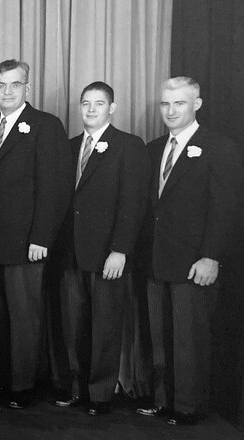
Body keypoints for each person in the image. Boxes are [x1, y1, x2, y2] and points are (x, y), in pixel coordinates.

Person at [135, 77, 244, 426]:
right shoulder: (153, 149)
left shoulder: (219, 147)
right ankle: (163, 400)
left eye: (179, 104)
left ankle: (187, 406)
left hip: (194, 262)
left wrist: (211, 256)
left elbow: (227, 209)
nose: (170, 111)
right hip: (156, 260)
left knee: (189, 339)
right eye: (165, 104)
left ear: (196, 104)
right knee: (160, 337)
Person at [0, 59, 73, 408]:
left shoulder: (46, 126)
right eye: (1, 85)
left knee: (25, 315)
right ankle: (0, 382)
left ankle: (24, 387)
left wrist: (41, 238)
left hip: (27, 242)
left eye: (14, 85)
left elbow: (56, 187)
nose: (7, 92)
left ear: (27, 89)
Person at [52, 82, 150, 416]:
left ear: (112, 107)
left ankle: (100, 395)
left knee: (104, 326)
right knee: (73, 326)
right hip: (71, 254)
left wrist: (120, 249)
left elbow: (132, 203)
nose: (91, 110)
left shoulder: (128, 145)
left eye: (98, 103)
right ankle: (77, 389)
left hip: (108, 254)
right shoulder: (68, 147)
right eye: (85, 104)